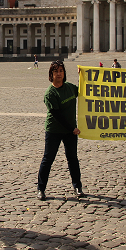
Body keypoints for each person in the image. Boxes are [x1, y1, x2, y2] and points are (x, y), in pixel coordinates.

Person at [37, 61, 84, 201]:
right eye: (56, 71)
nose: (59, 74)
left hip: (70, 131)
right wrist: (72, 128)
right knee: (48, 159)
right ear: (51, 74)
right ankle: (41, 188)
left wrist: (83, 77)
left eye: (61, 71)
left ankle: (77, 186)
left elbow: (84, 91)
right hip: (54, 130)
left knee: (73, 159)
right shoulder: (50, 93)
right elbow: (57, 116)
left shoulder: (70, 87)